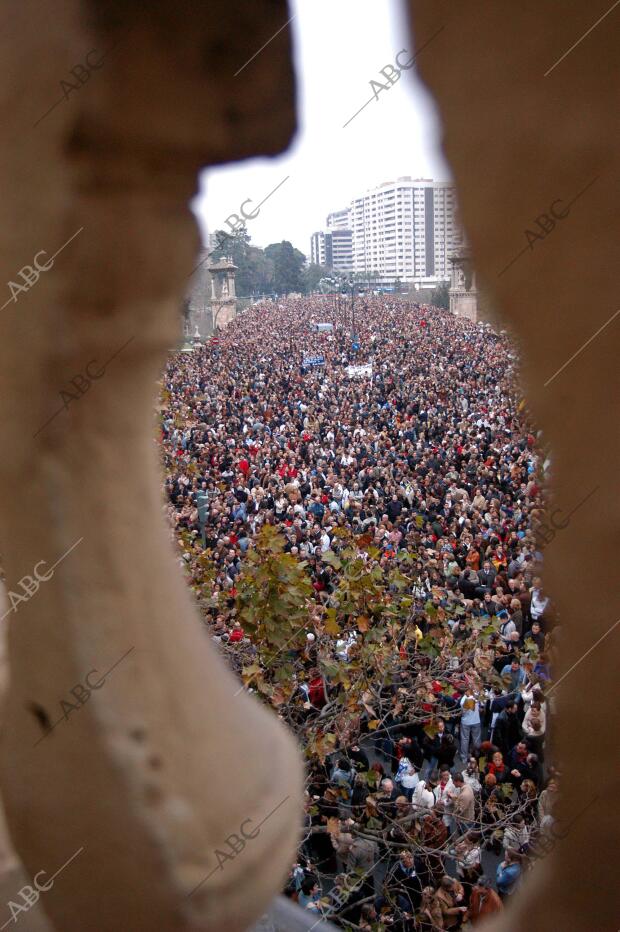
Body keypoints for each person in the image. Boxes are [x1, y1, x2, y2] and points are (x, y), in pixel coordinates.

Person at [459, 687, 482, 760]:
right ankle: (477, 757)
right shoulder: (476, 698)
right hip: (476, 721)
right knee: (476, 740)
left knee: (465, 740)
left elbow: (462, 712)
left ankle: (464, 758)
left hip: (465, 722)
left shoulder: (462, 700)